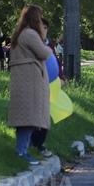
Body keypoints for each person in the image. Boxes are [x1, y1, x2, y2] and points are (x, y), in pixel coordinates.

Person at [7, 5, 53, 166]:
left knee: (26, 118)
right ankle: (21, 152)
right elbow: (44, 53)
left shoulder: (21, 33)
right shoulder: (31, 34)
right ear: (35, 18)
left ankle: (23, 150)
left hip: (25, 79)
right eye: (40, 18)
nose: (41, 21)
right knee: (29, 118)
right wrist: (46, 42)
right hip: (30, 81)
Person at [30, 18, 62, 158]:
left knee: (44, 116)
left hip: (48, 85)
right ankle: (32, 143)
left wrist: (61, 76)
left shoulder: (48, 45)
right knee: (34, 116)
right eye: (40, 27)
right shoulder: (30, 44)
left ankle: (39, 144)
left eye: (45, 27)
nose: (43, 30)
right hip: (33, 84)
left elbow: (54, 61)